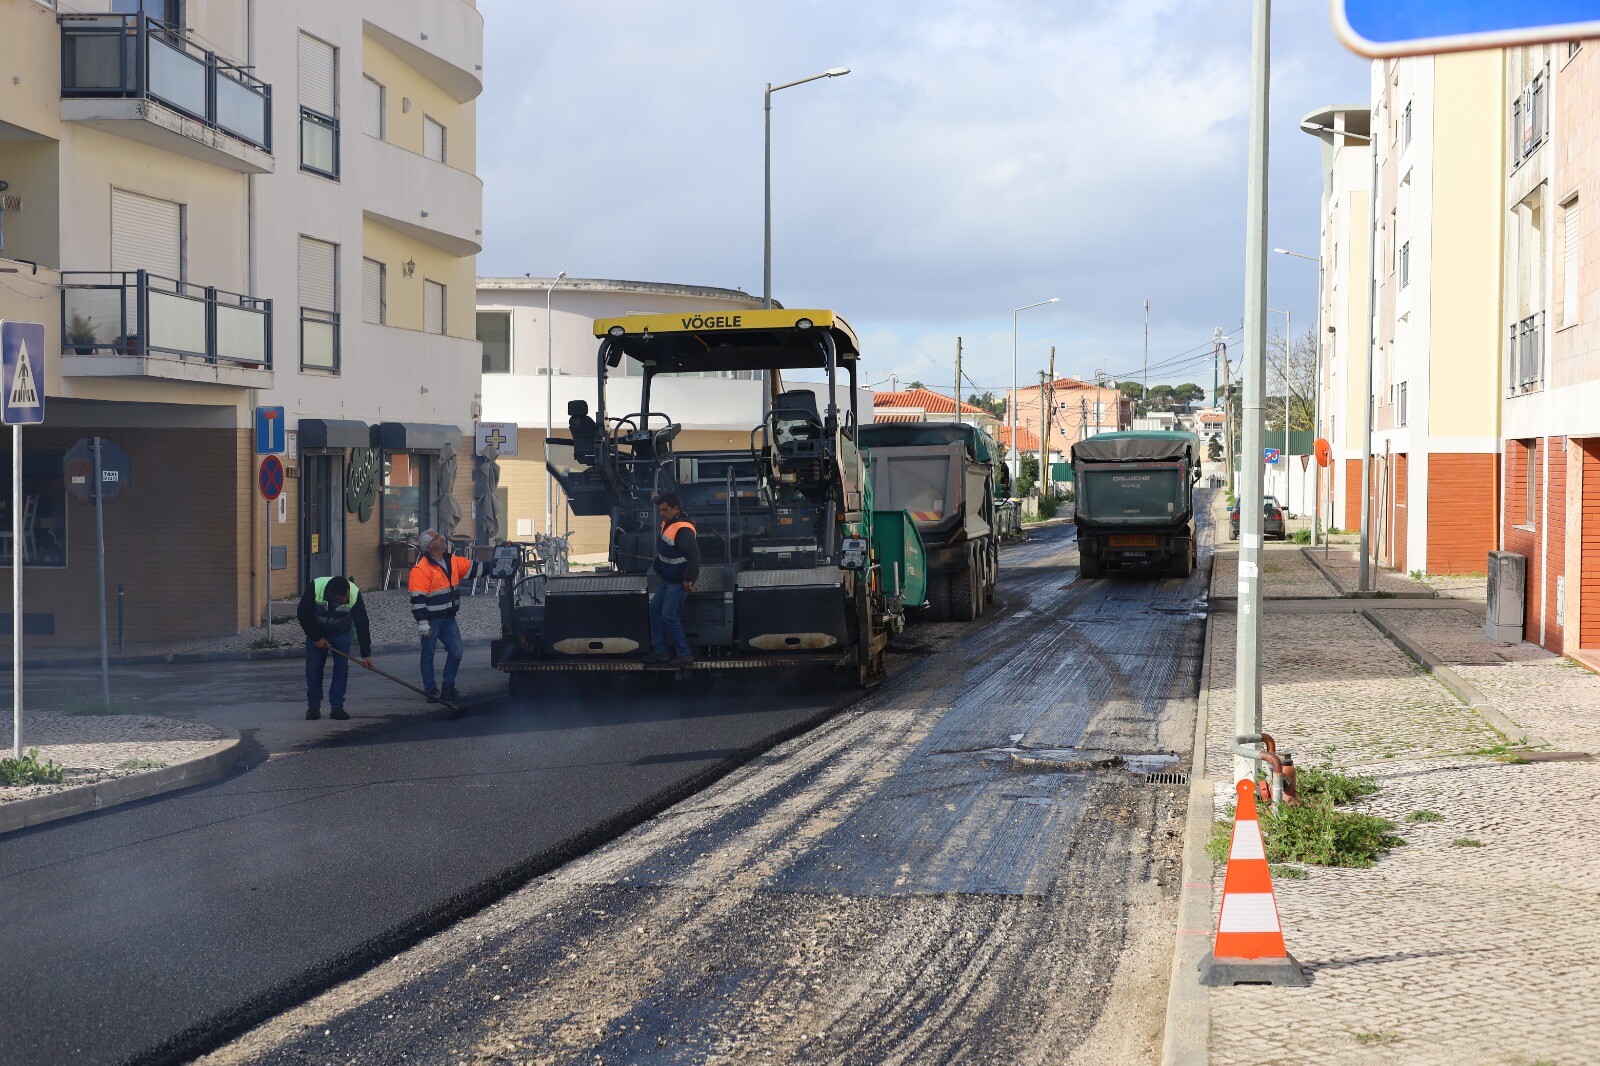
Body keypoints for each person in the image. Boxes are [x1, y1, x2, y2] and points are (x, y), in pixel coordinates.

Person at [408, 528, 488, 707]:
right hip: (431, 620)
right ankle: (431, 691)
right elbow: (418, 599)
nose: (443, 538)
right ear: (430, 545)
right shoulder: (420, 569)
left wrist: (498, 565)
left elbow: (476, 568)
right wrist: (422, 622)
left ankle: (447, 688)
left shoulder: (452, 561)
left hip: (448, 618)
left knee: (456, 651)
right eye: (438, 537)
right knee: (428, 655)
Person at [297, 575, 372, 721]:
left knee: (341, 669)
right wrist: (317, 637)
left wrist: (366, 654)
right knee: (314, 670)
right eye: (340, 600)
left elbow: (362, 623)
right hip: (317, 631)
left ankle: (337, 707)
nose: (344, 601)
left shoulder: (354, 593)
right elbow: (303, 613)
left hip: (341, 634)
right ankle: (313, 707)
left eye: (345, 598)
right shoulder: (316, 587)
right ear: (330, 594)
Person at [646, 492, 698, 667]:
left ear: (676, 509)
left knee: (669, 616)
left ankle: (684, 655)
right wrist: (655, 498)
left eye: (665, 510)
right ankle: (660, 651)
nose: (661, 513)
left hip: (678, 582)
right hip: (668, 579)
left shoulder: (682, 530)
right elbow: (662, 504)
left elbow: (694, 555)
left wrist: (688, 580)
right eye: (660, 509)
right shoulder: (670, 519)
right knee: (654, 608)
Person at [568, 399, 600, 464]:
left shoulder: (572, 421)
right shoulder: (588, 421)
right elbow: (598, 434)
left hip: (580, 453)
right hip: (595, 452)